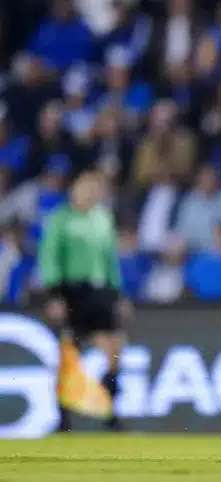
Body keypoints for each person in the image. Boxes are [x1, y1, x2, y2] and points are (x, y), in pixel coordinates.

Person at [39, 171, 130, 432]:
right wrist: (54, 295)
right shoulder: (60, 219)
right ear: (75, 190)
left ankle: (110, 409)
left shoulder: (103, 218)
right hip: (72, 291)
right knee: (70, 354)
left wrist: (118, 294)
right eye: (87, 187)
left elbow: (110, 260)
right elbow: (50, 256)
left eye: (96, 188)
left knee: (114, 349)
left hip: (100, 291)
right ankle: (63, 416)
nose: (91, 193)